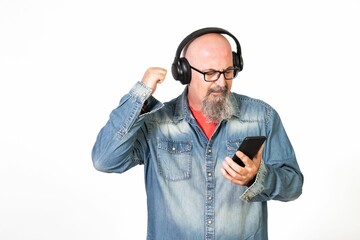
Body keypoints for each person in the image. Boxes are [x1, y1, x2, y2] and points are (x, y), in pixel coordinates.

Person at [91, 27, 304, 240]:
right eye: (210, 73)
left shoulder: (261, 117)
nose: (221, 83)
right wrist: (140, 95)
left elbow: (293, 185)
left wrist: (258, 177)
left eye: (228, 71)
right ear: (184, 72)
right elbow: (105, 160)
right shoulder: (155, 123)